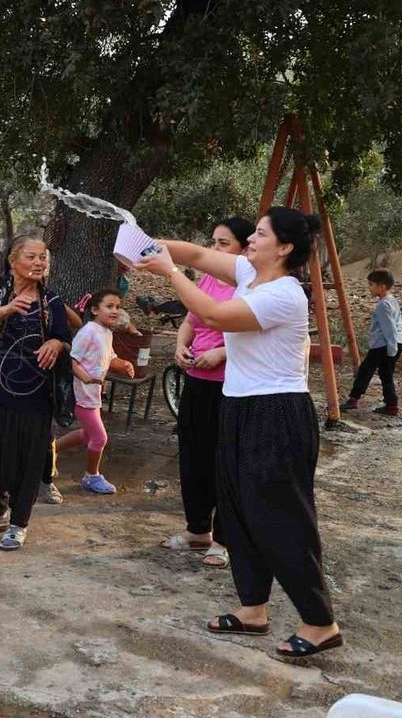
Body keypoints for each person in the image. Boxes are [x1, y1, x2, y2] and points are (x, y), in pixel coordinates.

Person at [138, 206, 342, 659]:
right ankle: (253, 609)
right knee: (237, 510)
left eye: (261, 234)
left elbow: (212, 314)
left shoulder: (286, 294)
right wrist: (143, 245)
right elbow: (193, 253)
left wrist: (167, 271)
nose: (251, 239)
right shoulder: (250, 272)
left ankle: (320, 621)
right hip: (239, 406)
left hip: (277, 414)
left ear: (284, 247)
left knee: (280, 516)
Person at [0, 235, 72, 551]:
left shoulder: (52, 300)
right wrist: (7, 309)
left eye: (43, 258)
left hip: (35, 396)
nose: (39, 263)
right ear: (13, 260)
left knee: (28, 461)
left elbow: (64, 338)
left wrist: (56, 343)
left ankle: (20, 523)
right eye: (32, 257)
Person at [160, 217, 252, 568]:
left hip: (231, 386)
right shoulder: (208, 278)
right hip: (197, 380)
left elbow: (251, 333)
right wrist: (180, 345)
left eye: (223, 244)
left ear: (244, 250)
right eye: (212, 242)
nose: (214, 250)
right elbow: (191, 320)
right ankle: (197, 528)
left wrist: (222, 353)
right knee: (192, 454)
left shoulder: (251, 284)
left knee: (226, 461)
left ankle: (225, 540)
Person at [54, 289, 135, 494]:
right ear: (94, 310)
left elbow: (110, 359)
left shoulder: (106, 332)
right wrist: (85, 378)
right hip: (83, 395)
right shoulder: (88, 331)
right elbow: (72, 360)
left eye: (118, 306)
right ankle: (91, 476)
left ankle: (50, 448)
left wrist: (124, 364)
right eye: (109, 306)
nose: (115, 310)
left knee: (87, 434)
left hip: (94, 394)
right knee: (99, 438)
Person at [343, 269, 402, 416]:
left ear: (382, 286)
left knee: (365, 371)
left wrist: (391, 349)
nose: (369, 288)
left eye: (371, 284)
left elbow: (389, 328)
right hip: (393, 343)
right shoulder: (392, 300)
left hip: (384, 345)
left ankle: (353, 400)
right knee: (385, 374)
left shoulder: (383, 305)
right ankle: (391, 406)